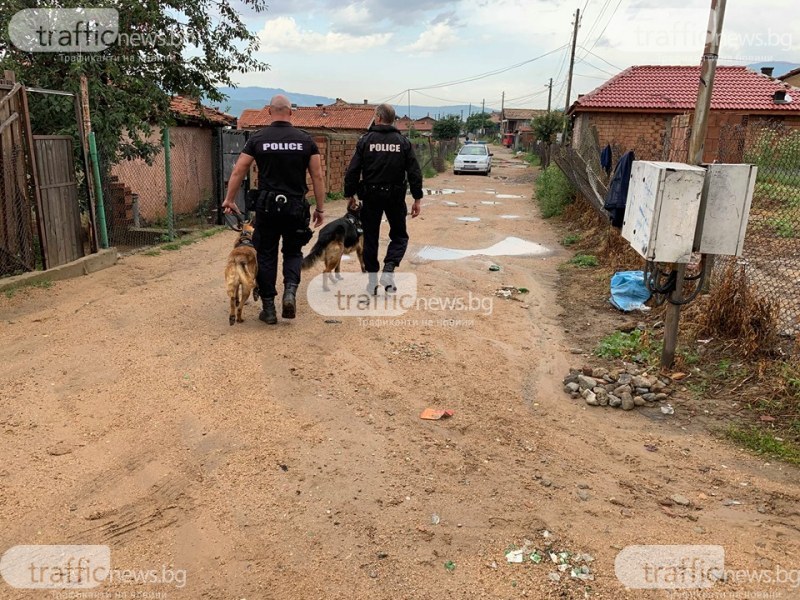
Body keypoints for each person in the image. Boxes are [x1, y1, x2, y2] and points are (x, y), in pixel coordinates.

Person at [222, 95, 326, 324]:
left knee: (266, 255)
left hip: (267, 207)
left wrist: (229, 199)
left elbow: (239, 170)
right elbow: (317, 175)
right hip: (296, 207)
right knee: (292, 252)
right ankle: (290, 292)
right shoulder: (305, 140)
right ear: (291, 112)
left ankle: (268, 308)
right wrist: (320, 208)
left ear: (270, 111)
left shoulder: (258, 139)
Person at [343, 103, 423, 293]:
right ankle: (389, 268)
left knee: (370, 237)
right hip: (395, 197)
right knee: (399, 235)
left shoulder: (365, 141)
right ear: (393, 119)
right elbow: (414, 172)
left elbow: (353, 170)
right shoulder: (403, 142)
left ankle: (372, 282)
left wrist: (350, 195)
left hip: (371, 196)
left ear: (378, 117)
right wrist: (417, 198)